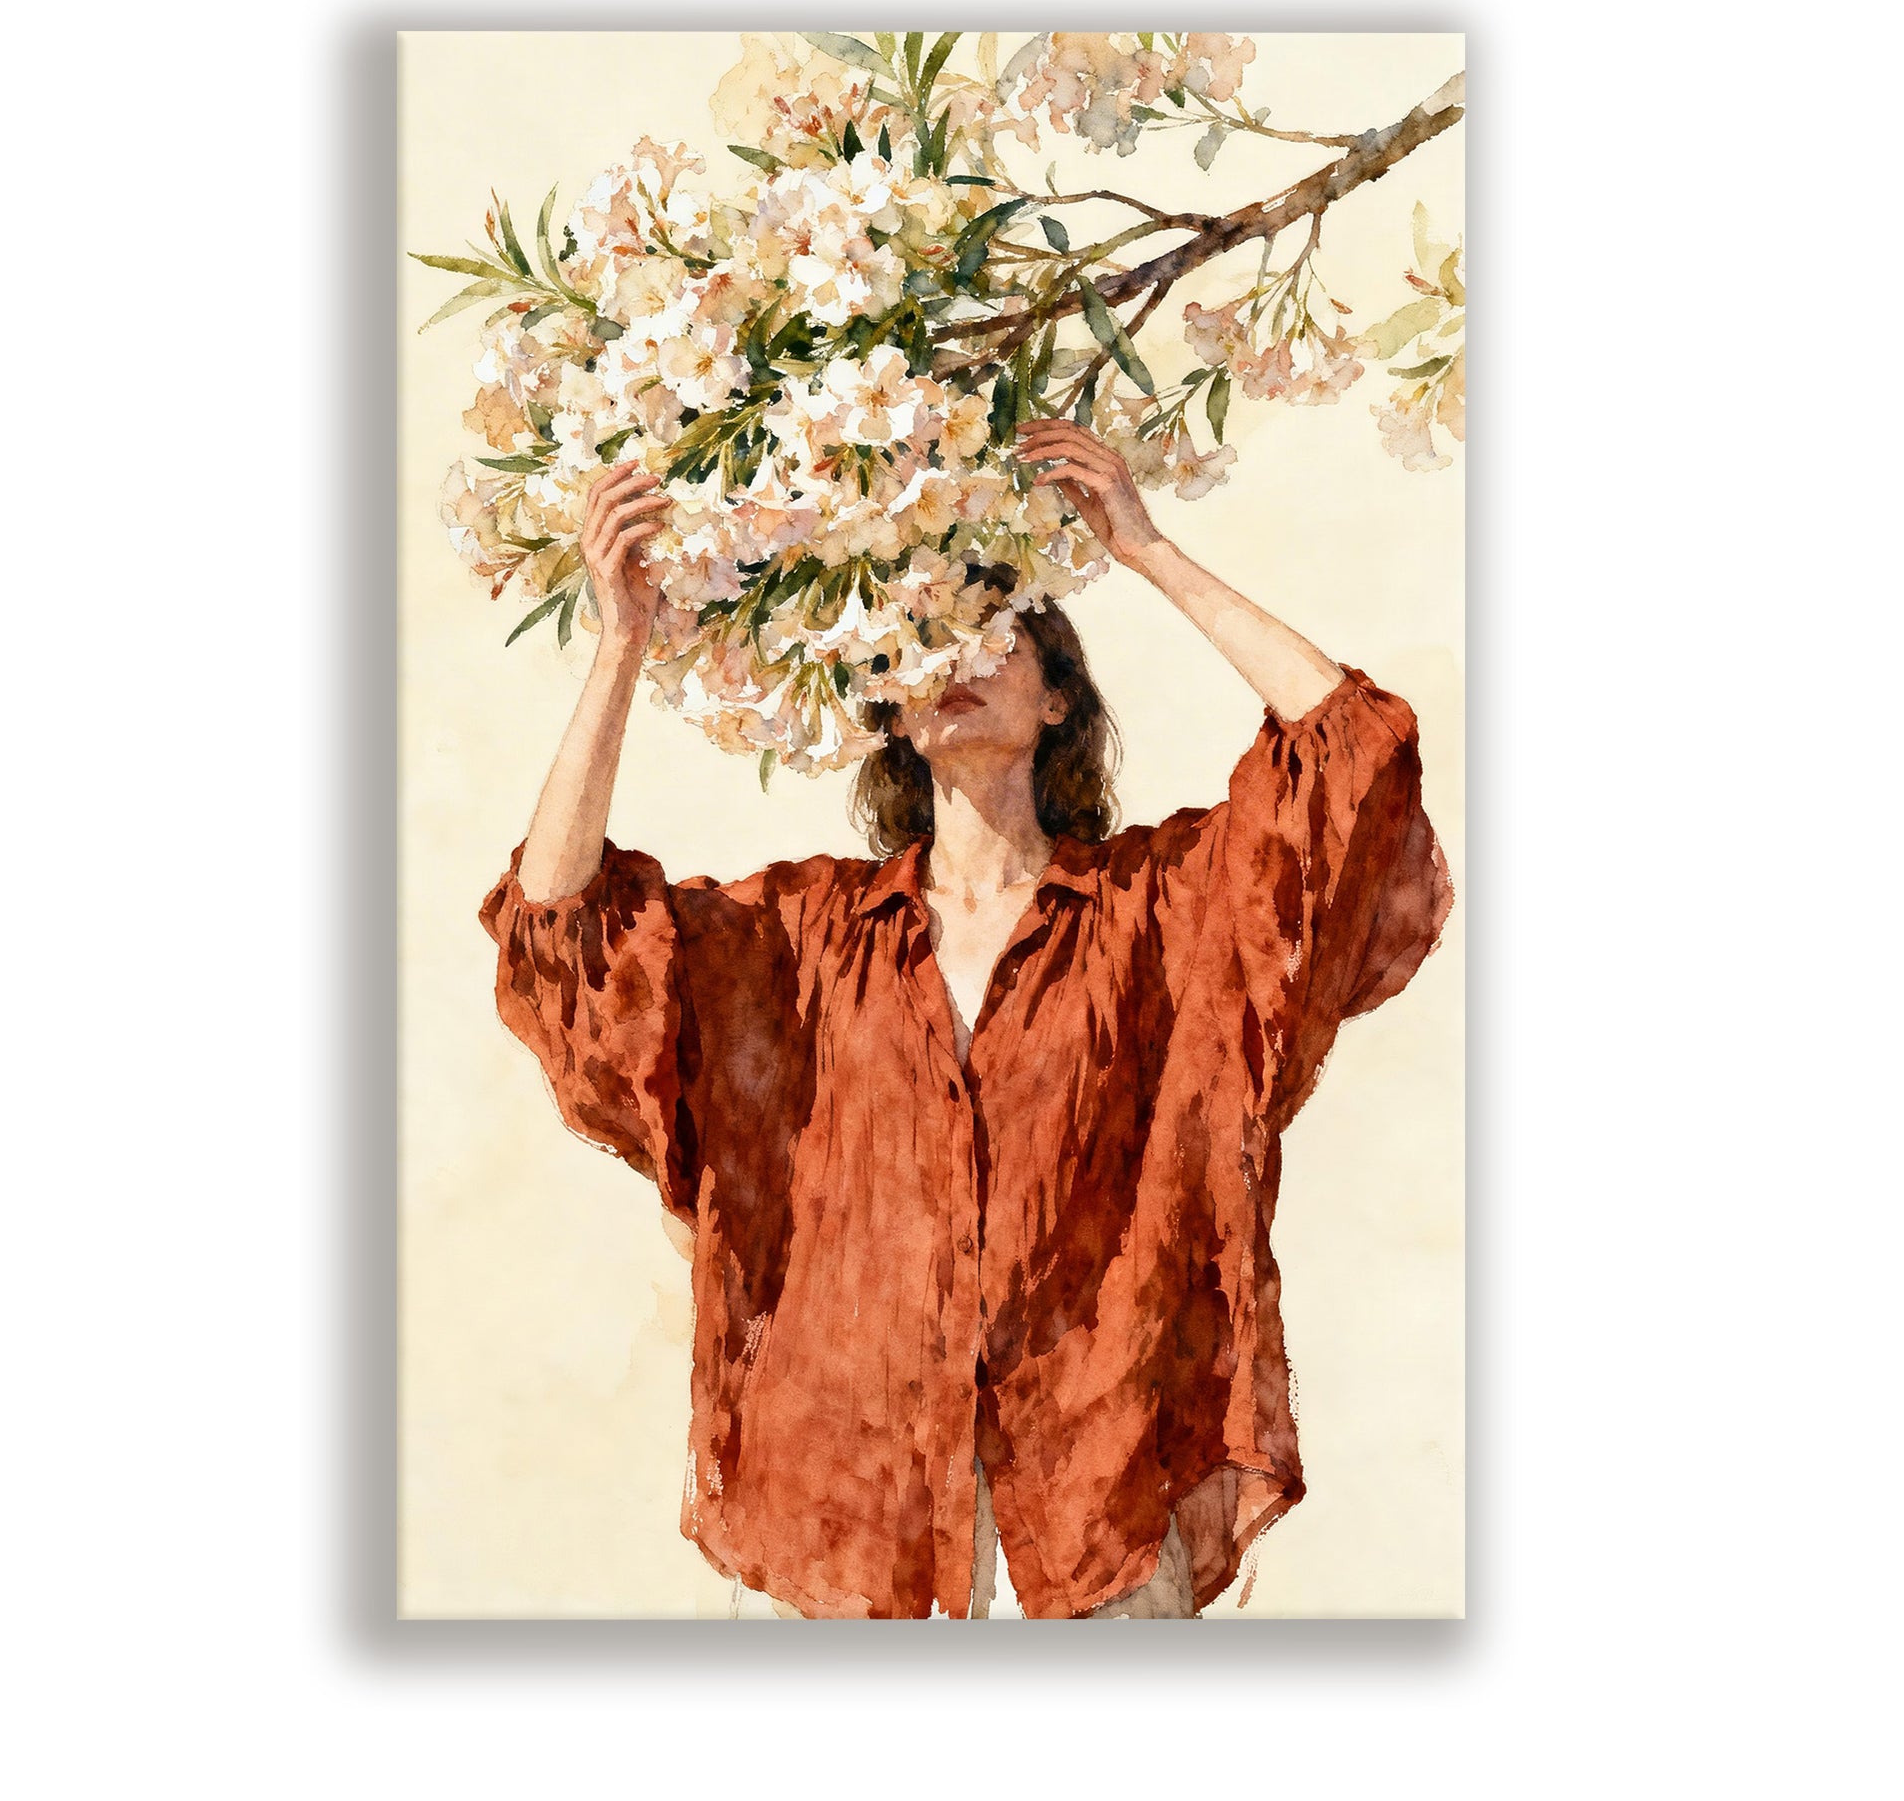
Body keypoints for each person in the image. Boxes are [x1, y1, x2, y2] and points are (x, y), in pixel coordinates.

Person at [481, 417, 1455, 1619]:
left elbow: (1351, 755)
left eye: (991, 629)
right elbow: (561, 929)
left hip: (1093, 1497)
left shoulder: (1157, 911)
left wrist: (1145, 549)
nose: (954, 653)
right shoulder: (799, 937)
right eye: (921, 637)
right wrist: (619, 643)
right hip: (849, 1513)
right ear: (891, 711)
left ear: (1056, 698)